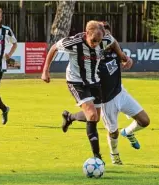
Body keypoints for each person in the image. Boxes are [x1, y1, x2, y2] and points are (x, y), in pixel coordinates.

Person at [61, 21, 150, 165]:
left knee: (145, 121)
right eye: (103, 37)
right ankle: (114, 156)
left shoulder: (114, 48)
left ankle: (127, 132)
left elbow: (124, 58)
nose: (106, 40)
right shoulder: (92, 56)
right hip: (105, 100)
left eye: (108, 36)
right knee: (104, 126)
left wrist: (128, 60)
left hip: (120, 92)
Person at [42, 20, 108, 159]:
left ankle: (69, 117)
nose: (95, 43)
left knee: (95, 118)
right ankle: (97, 157)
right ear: (87, 33)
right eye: (93, 40)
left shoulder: (104, 39)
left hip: (94, 81)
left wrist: (123, 57)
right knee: (92, 116)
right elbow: (54, 48)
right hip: (76, 81)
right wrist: (46, 70)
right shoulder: (73, 42)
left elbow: (114, 43)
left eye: (98, 41)